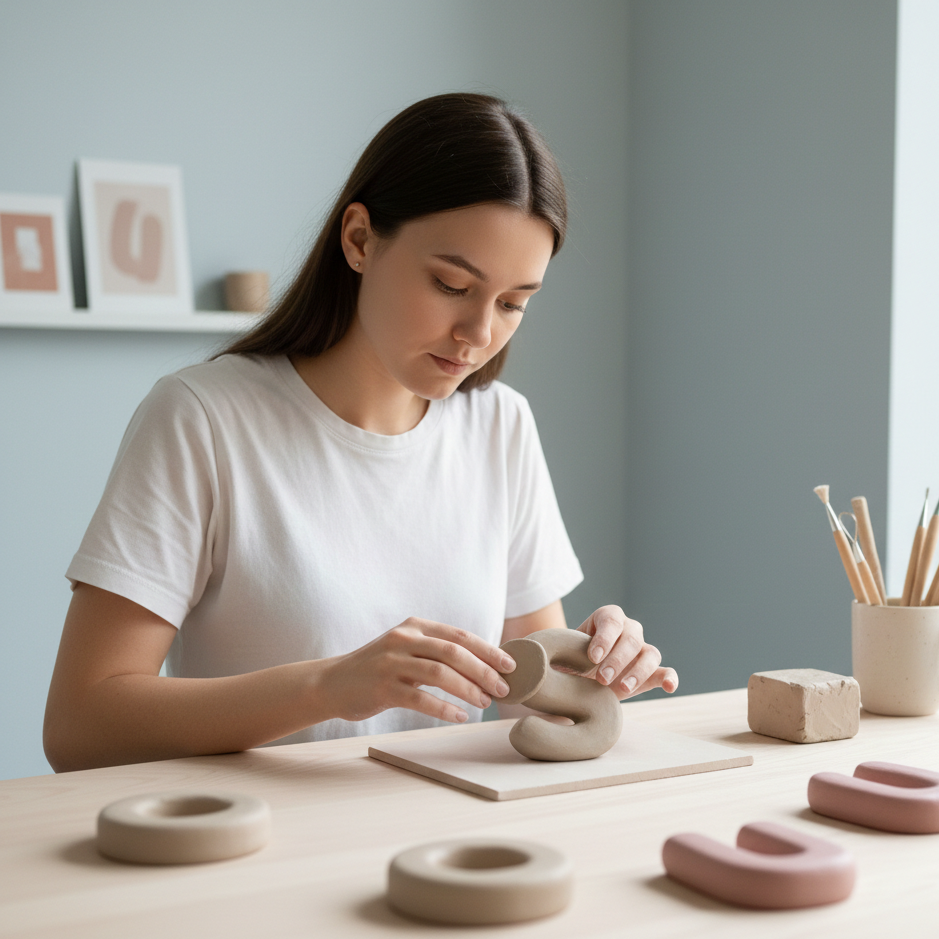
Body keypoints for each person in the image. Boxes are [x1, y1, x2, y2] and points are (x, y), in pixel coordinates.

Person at [43, 93, 678, 773]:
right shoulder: (203, 418)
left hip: (453, 846)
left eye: (513, 302)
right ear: (358, 239)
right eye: (450, 283)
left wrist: (595, 668)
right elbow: (82, 724)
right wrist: (328, 686)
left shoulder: (499, 424)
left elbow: (534, 707)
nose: (479, 333)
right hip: (254, 849)